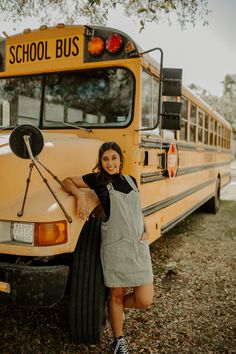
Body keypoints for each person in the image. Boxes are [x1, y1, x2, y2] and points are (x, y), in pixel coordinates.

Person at [62, 141, 153, 354]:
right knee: (117, 296)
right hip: (116, 247)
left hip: (138, 246)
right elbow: (66, 181)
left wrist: (147, 229)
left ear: (121, 160)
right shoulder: (98, 181)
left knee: (145, 299)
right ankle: (118, 340)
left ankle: (112, 308)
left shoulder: (131, 180)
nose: (110, 163)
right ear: (100, 162)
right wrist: (80, 195)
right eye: (105, 159)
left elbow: (138, 210)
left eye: (113, 158)